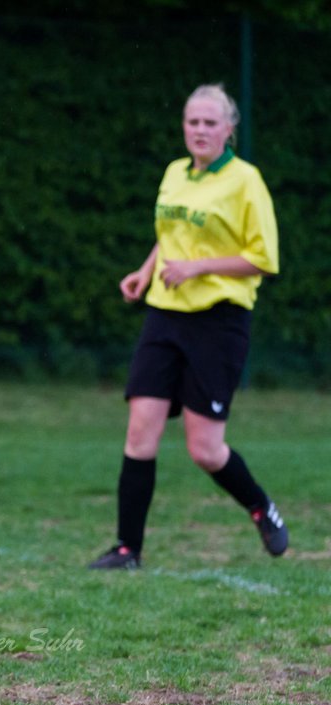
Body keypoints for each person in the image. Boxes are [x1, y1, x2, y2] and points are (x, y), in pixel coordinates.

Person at [88, 83, 288, 570]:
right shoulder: (175, 172)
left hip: (219, 322)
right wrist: (146, 269)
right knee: (140, 433)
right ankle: (127, 549)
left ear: (229, 129)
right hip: (165, 314)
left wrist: (198, 269)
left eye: (210, 123)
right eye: (192, 122)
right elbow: (170, 238)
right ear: (183, 126)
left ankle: (261, 505)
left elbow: (263, 258)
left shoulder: (246, 181)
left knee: (205, 449)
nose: (200, 130)